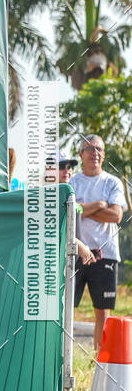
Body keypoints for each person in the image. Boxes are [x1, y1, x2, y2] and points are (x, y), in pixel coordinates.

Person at [69, 135, 127, 351]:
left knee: (102, 311)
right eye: (89, 148)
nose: (94, 153)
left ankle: (99, 358)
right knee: (66, 306)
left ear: (104, 154)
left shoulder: (112, 182)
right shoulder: (73, 182)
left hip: (106, 255)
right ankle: (65, 357)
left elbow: (116, 215)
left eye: (98, 149)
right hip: (75, 251)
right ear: (81, 154)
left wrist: (83, 209)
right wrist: (99, 205)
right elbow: (70, 212)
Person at [52, 151, 95, 266]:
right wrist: (78, 244)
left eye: (69, 167)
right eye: (61, 167)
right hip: (51, 266)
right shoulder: (47, 195)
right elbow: (52, 231)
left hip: (68, 266)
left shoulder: (67, 194)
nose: (67, 171)